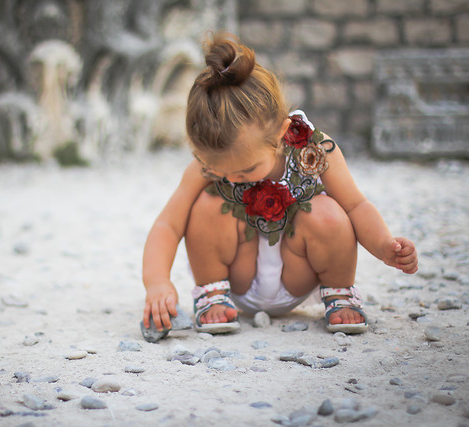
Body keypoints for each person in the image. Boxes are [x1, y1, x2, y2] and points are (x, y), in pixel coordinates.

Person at [141, 33, 418, 336]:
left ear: (281, 132)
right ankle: (211, 295)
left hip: (296, 276)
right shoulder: (207, 165)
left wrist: (383, 246)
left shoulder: (314, 150)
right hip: (235, 282)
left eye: (245, 170)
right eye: (218, 169)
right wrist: (157, 282)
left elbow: (356, 205)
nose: (231, 178)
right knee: (208, 203)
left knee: (329, 210)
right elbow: (167, 225)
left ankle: (339, 293)